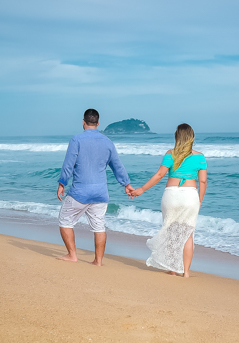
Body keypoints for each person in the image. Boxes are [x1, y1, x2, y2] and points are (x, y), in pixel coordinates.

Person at [57, 109, 134, 265]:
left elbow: (68, 165)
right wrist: (126, 184)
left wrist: (62, 183)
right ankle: (98, 261)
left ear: (83, 122)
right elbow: (117, 166)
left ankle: (72, 255)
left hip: (80, 192)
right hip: (100, 194)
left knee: (65, 221)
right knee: (99, 226)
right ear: (98, 123)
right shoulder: (107, 142)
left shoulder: (76, 140)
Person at [131, 123, 207, 277]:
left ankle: (172, 270)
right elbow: (203, 182)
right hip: (190, 196)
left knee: (171, 231)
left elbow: (159, 175)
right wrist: (199, 201)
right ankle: (186, 272)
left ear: (176, 136)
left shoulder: (170, 154)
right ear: (192, 137)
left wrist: (142, 189)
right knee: (188, 234)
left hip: (171, 195)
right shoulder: (200, 157)